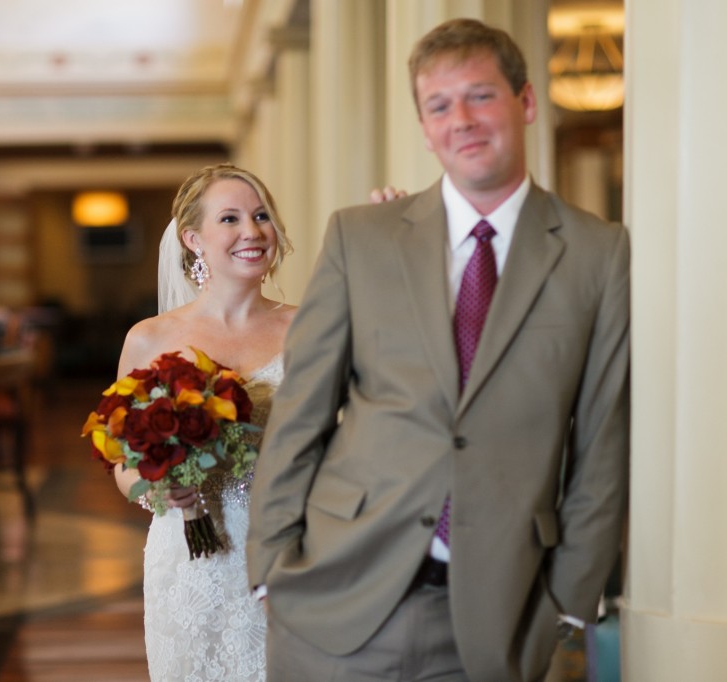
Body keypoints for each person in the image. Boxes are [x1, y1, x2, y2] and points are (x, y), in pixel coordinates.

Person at [246, 18, 629, 682]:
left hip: (499, 620)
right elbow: (301, 414)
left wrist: (568, 602)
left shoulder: (600, 255)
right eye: (440, 105)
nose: (463, 120)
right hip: (336, 599)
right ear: (424, 128)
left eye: (480, 95)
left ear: (526, 103)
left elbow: (603, 440)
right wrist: (271, 565)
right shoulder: (358, 239)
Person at [112, 163, 295, 681]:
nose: (252, 231)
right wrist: (157, 491)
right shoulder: (150, 339)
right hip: (189, 566)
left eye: (261, 216)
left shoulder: (311, 326)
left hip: (287, 548)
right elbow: (121, 459)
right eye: (231, 218)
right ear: (193, 238)